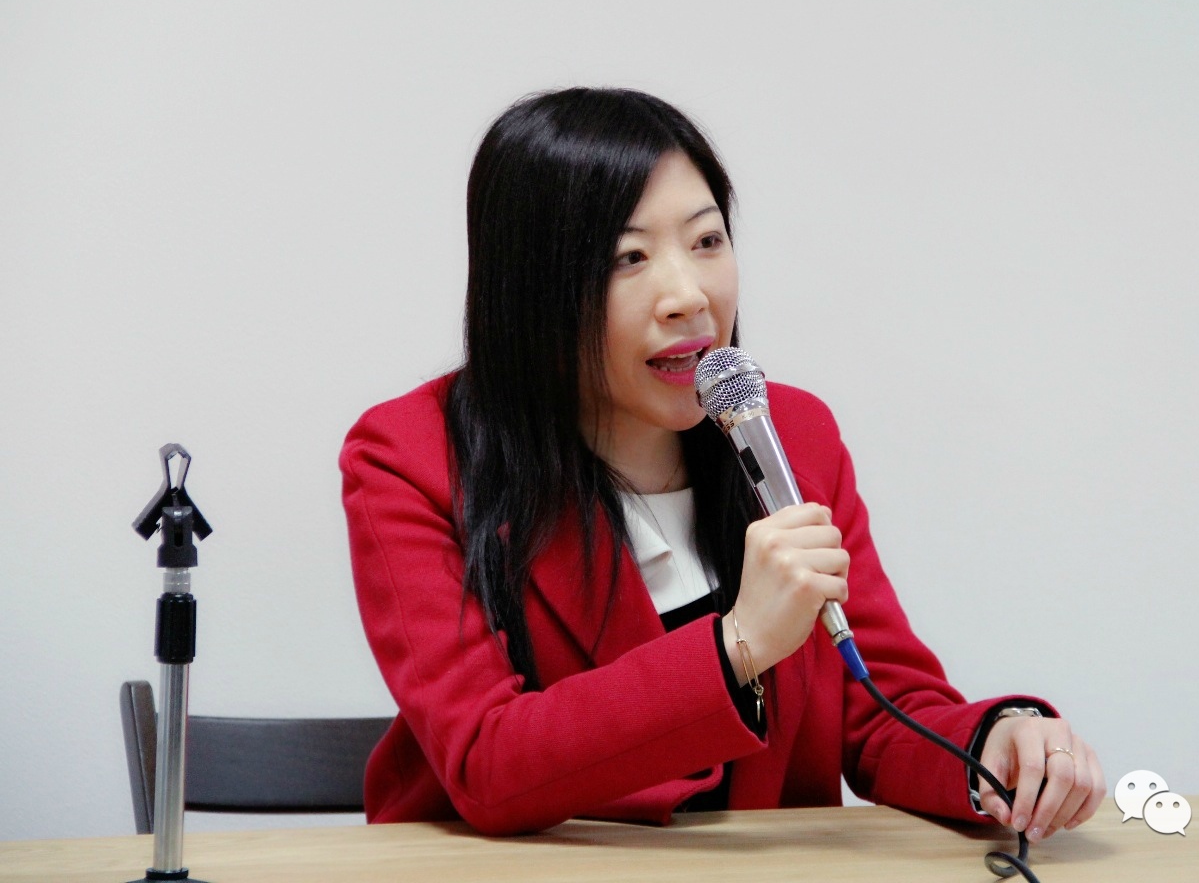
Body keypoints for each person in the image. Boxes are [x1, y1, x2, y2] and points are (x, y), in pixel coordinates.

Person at [340, 87, 1105, 840]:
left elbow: (880, 710)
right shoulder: (410, 458)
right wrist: (737, 644)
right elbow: (485, 760)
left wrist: (995, 742)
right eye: (627, 257)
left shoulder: (792, 434)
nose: (688, 295)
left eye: (706, 242)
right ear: (529, 289)